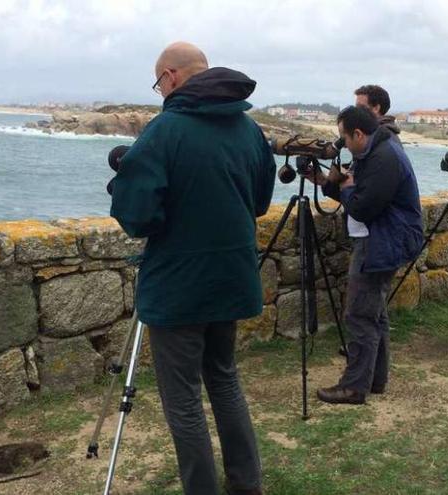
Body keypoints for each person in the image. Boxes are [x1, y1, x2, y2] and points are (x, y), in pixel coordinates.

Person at [109, 41, 275, 495]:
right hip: (231, 278)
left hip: (179, 286)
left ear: (172, 76)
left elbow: (138, 218)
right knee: (223, 379)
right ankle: (247, 484)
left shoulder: (165, 130)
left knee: (182, 399)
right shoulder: (250, 130)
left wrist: (121, 182)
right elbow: (259, 203)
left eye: (159, 81)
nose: (160, 89)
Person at [308, 105, 423, 404]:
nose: (342, 144)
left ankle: (354, 387)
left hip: (383, 243)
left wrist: (345, 186)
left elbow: (362, 206)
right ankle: (375, 379)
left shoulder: (384, 158)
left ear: (358, 134)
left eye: (344, 138)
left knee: (359, 316)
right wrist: (325, 182)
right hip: (383, 240)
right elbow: (358, 196)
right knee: (374, 314)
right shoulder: (373, 152)